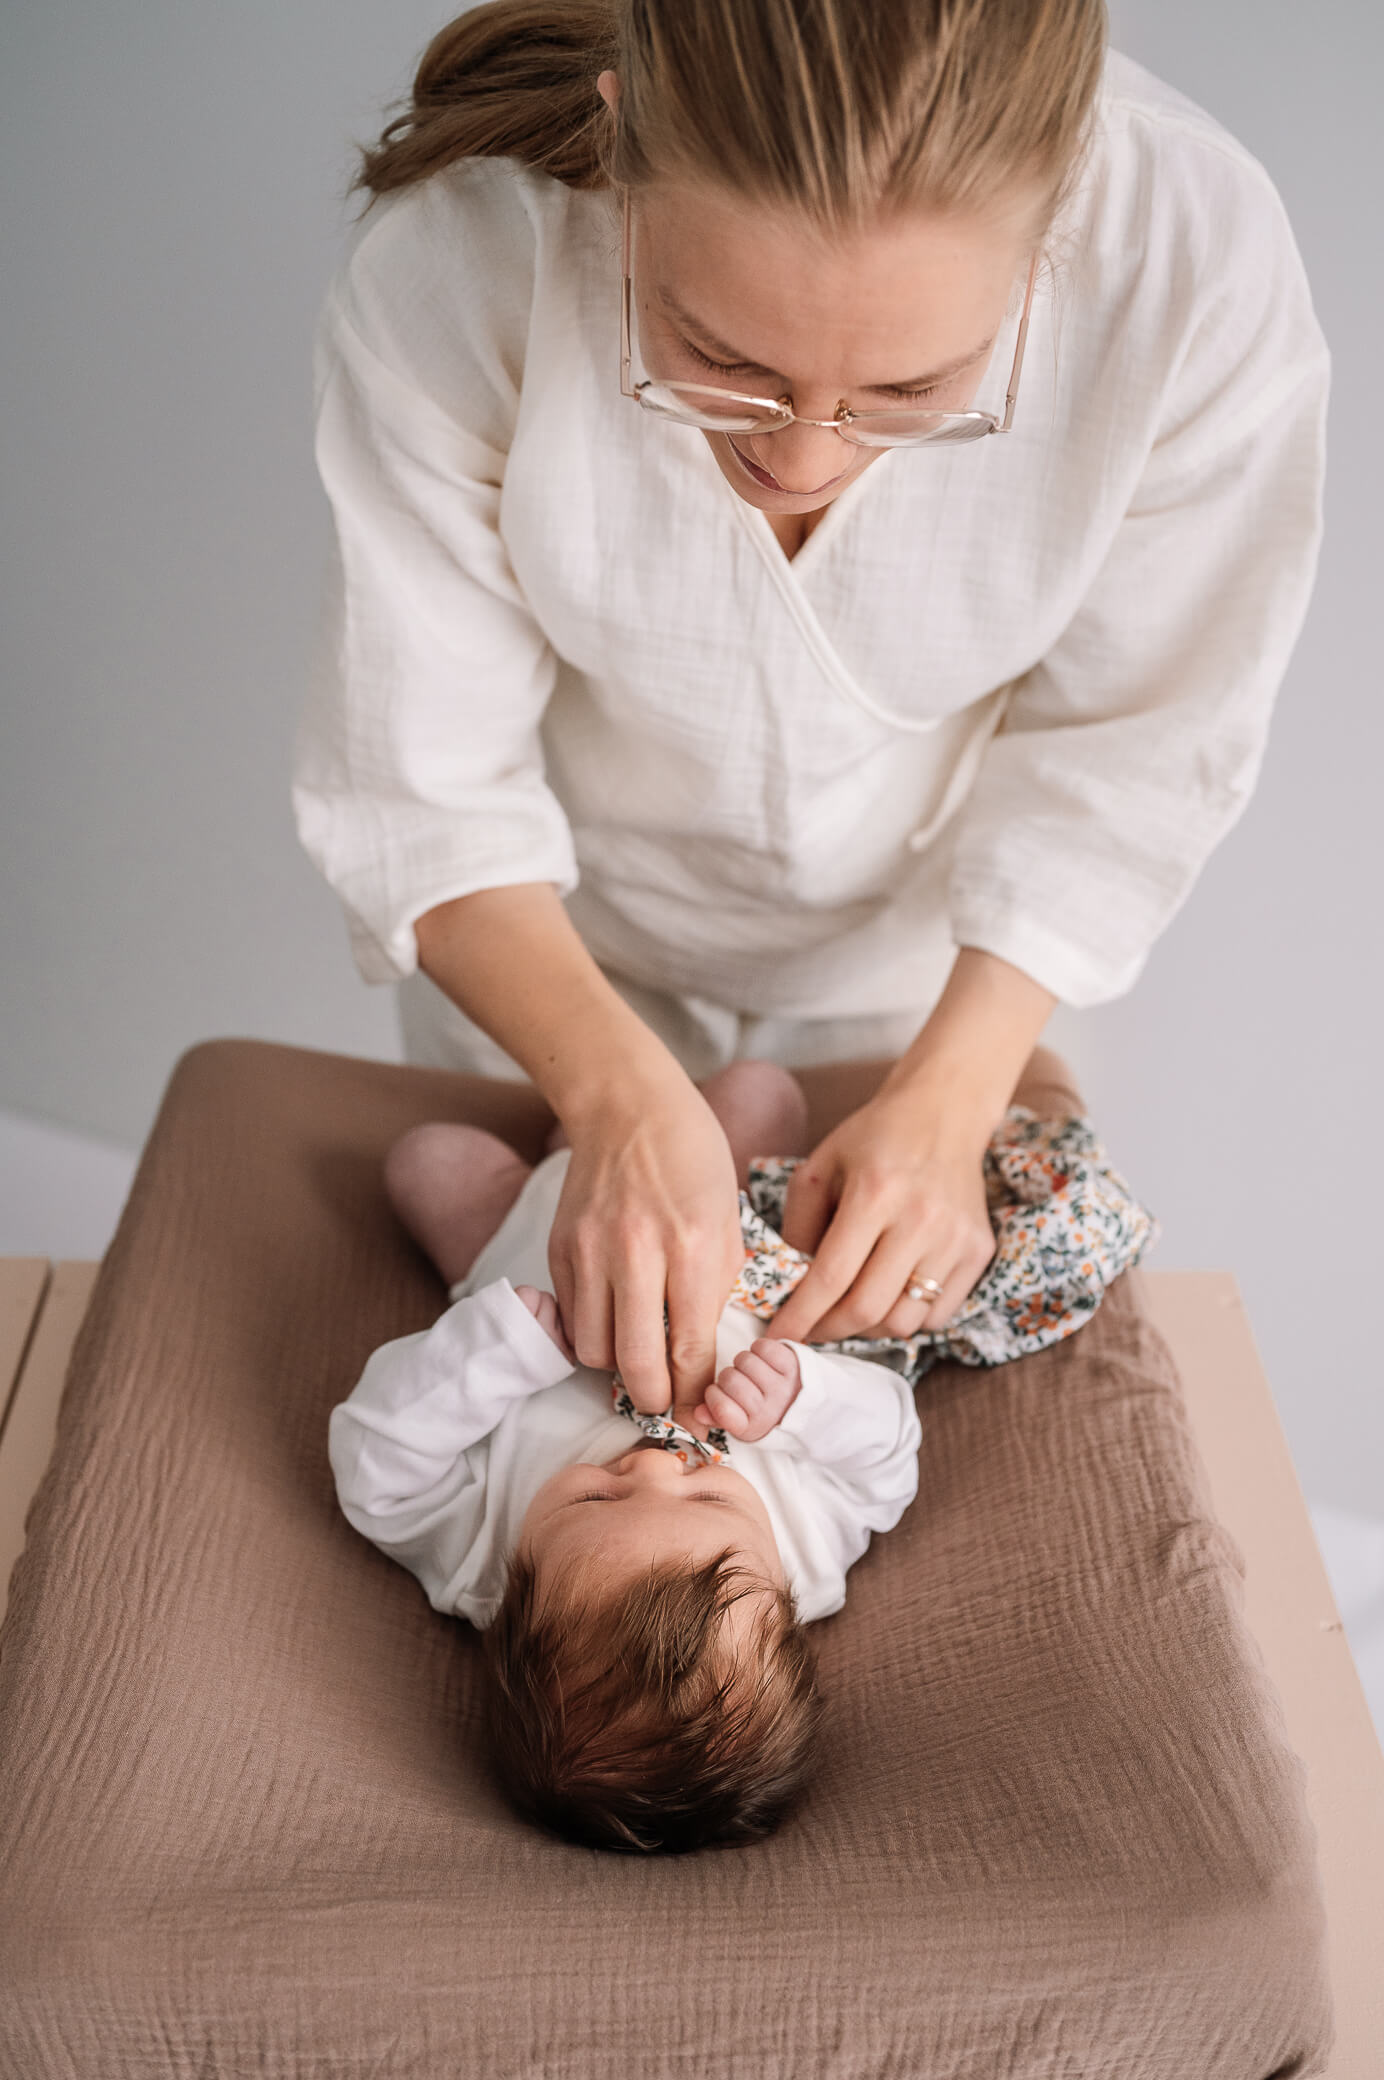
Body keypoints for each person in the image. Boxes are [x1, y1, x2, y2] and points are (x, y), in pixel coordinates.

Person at [295, 0, 1328, 1433]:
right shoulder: (467, 257)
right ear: (622, 146)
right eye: (721, 358)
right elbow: (420, 782)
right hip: (557, 937)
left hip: (933, 963)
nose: (802, 458)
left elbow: (1138, 742)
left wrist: (956, 1098)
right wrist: (611, 1098)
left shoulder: (1189, 265)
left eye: (912, 390)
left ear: (1056, 241)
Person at [328, 1054, 1155, 1850]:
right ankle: (615, 1119)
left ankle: (567, 1146)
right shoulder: (805, 1551)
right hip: (713, 1210)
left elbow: (376, 1462)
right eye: (711, 1499)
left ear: (506, 1609)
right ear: (790, 1601)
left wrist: (505, 1346)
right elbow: (887, 1461)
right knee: (758, 1093)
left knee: (427, 1160)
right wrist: (806, 1398)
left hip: (523, 1231)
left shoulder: (475, 1557)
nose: (656, 1463)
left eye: (597, 1498)